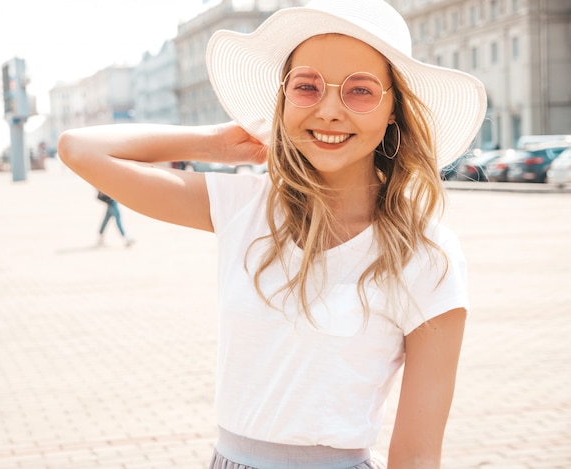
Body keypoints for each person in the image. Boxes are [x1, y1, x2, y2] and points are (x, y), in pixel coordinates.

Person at [57, 0, 486, 467]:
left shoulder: (426, 254)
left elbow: (418, 454)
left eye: (360, 92)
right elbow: (79, 149)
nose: (329, 110)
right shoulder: (243, 207)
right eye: (307, 86)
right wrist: (213, 144)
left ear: (392, 112)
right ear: (282, 100)